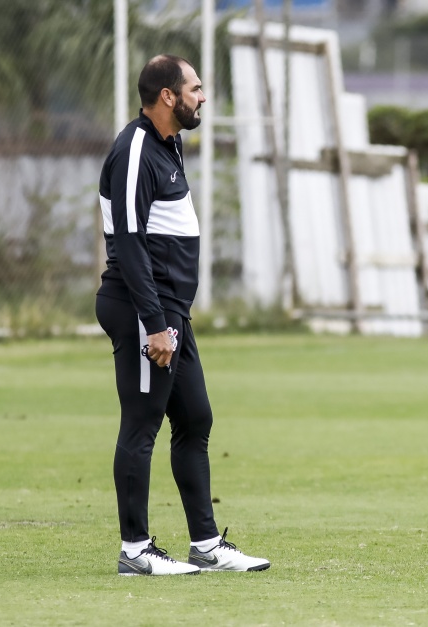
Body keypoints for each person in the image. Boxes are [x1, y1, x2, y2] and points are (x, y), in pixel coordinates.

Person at [96, 54, 271, 576]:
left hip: (171, 310)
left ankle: (207, 545)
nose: (202, 96)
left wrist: (170, 316)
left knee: (195, 419)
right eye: (195, 87)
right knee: (142, 425)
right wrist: (154, 324)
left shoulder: (169, 145)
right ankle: (135, 551)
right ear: (168, 96)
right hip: (141, 309)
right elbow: (127, 246)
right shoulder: (134, 151)